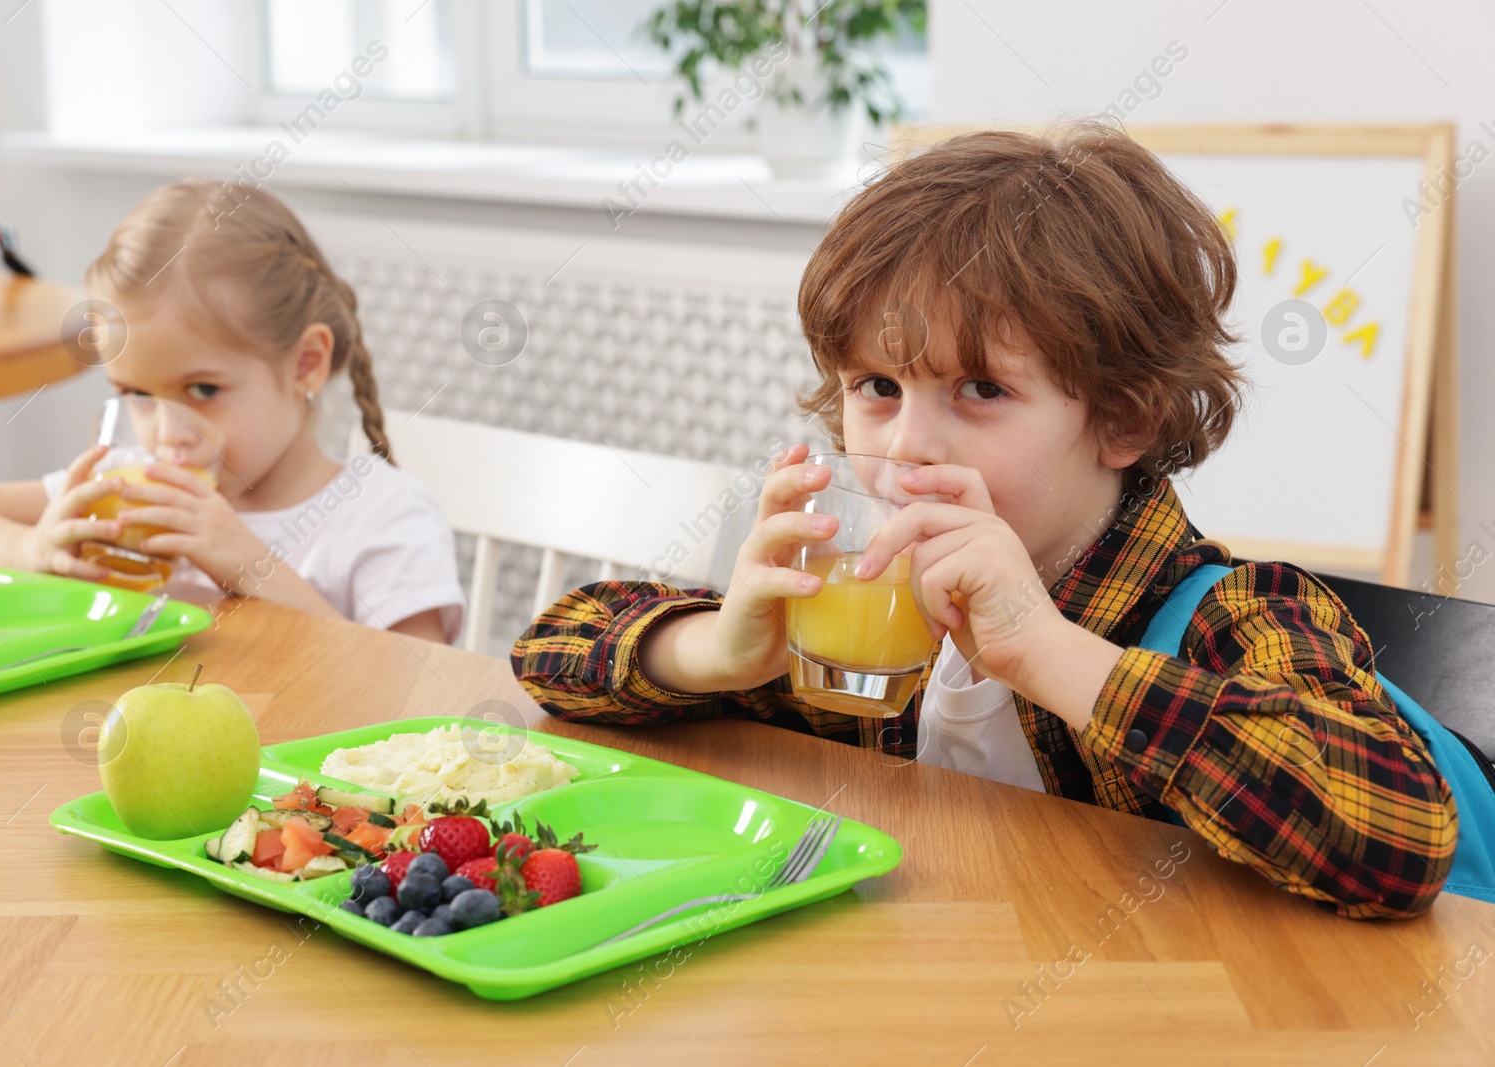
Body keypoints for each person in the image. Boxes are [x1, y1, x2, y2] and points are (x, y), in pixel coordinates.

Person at [512, 122, 1456, 919]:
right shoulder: (875, 603)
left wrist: (1045, 648)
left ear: (1123, 416)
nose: (911, 443)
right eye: (877, 387)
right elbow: (550, 650)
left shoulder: (1233, 615)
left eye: (981, 389)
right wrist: (721, 650)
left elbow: (1402, 833)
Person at [0, 179, 464, 642]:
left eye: (202, 391)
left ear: (306, 364)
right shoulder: (127, 481)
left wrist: (251, 565)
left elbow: (416, 692)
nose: (168, 436)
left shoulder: (381, 518)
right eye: (139, 396)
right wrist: (28, 547)